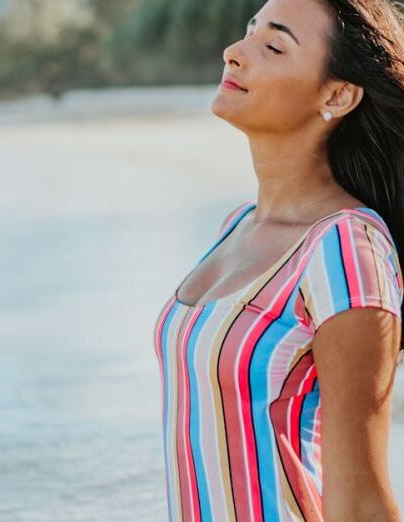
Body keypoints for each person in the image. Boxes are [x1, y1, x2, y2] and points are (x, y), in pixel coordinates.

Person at [153, 0, 404, 520]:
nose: (234, 53)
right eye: (249, 32)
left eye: (273, 46)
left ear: (337, 94)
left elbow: (360, 502)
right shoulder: (236, 227)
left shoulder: (344, 251)